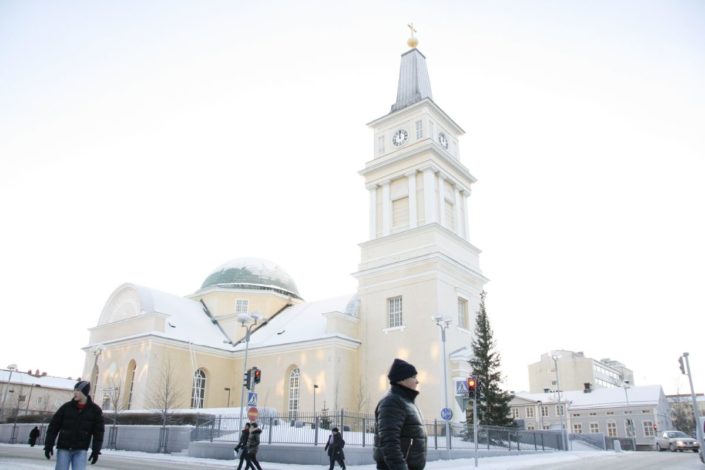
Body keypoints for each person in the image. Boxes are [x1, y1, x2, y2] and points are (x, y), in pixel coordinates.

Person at [373, 358, 427, 470]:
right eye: (413, 377)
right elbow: (389, 441)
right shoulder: (391, 402)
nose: (417, 381)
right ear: (401, 380)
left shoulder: (405, 401)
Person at [44, 380, 104, 469]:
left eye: (78, 390)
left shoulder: (95, 410)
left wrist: (96, 450)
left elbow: (99, 432)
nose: (75, 393)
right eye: (74, 390)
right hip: (64, 449)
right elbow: (53, 427)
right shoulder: (66, 407)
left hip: (81, 450)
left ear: (84, 392)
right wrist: (48, 444)